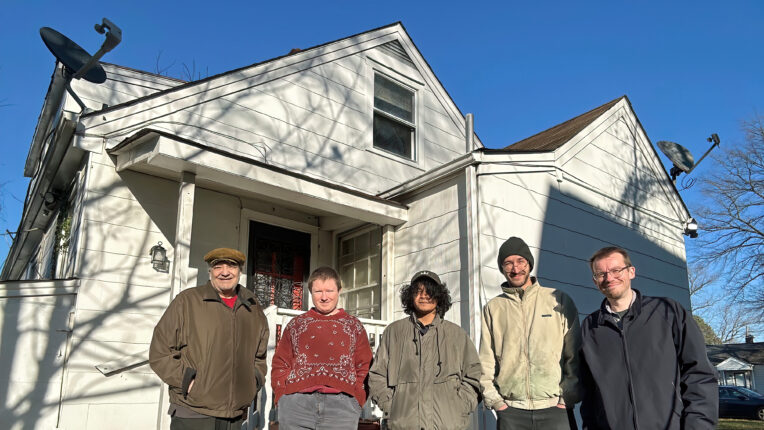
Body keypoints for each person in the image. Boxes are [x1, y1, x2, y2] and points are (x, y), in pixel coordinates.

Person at [579, 246, 718, 429]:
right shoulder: (590, 328)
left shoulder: (668, 312)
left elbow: (699, 374)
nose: (609, 278)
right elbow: (589, 392)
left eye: (615, 270)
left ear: (631, 272)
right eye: (601, 274)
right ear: (595, 281)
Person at [149, 247, 269, 430]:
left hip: (234, 416)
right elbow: (160, 351)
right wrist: (187, 382)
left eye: (231, 266)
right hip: (193, 412)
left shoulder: (253, 308)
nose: (225, 272)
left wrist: (253, 383)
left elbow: (259, 356)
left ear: (240, 271)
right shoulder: (187, 302)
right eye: (218, 266)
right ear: (210, 271)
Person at [479, 236, 581, 430]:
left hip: (555, 409)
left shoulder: (557, 300)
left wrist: (566, 397)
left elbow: (574, 354)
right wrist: (496, 402)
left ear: (530, 264)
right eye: (508, 263)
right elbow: (486, 359)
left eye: (520, 261)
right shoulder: (493, 308)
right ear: (502, 268)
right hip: (512, 411)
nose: (515, 269)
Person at [369, 270, 481, 430]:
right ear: (410, 296)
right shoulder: (394, 333)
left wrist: (460, 407)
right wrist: (391, 406)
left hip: (448, 425)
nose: (424, 296)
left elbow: (474, 376)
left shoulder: (457, 335)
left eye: (430, 291)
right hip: (403, 425)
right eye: (418, 291)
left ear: (439, 296)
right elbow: (377, 375)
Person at [271, 266, 373, 429]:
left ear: (339, 291)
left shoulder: (354, 326)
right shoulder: (296, 325)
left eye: (329, 291)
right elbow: (281, 363)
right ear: (311, 293)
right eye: (318, 291)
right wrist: (281, 397)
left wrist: (357, 399)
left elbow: (365, 366)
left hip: (342, 408)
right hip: (296, 406)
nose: (324, 297)